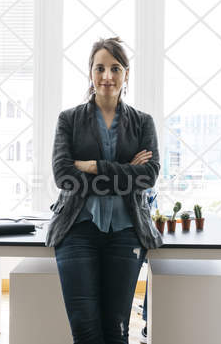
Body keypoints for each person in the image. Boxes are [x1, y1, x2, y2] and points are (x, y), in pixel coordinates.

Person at [46, 37, 162, 344]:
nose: (107, 77)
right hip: (77, 230)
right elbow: (63, 175)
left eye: (115, 69)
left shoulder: (143, 123)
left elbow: (149, 175)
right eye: (100, 68)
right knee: (85, 329)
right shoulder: (69, 120)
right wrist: (127, 170)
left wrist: (95, 166)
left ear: (126, 74)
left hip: (126, 232)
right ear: (90, 73)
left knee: (116, 329)